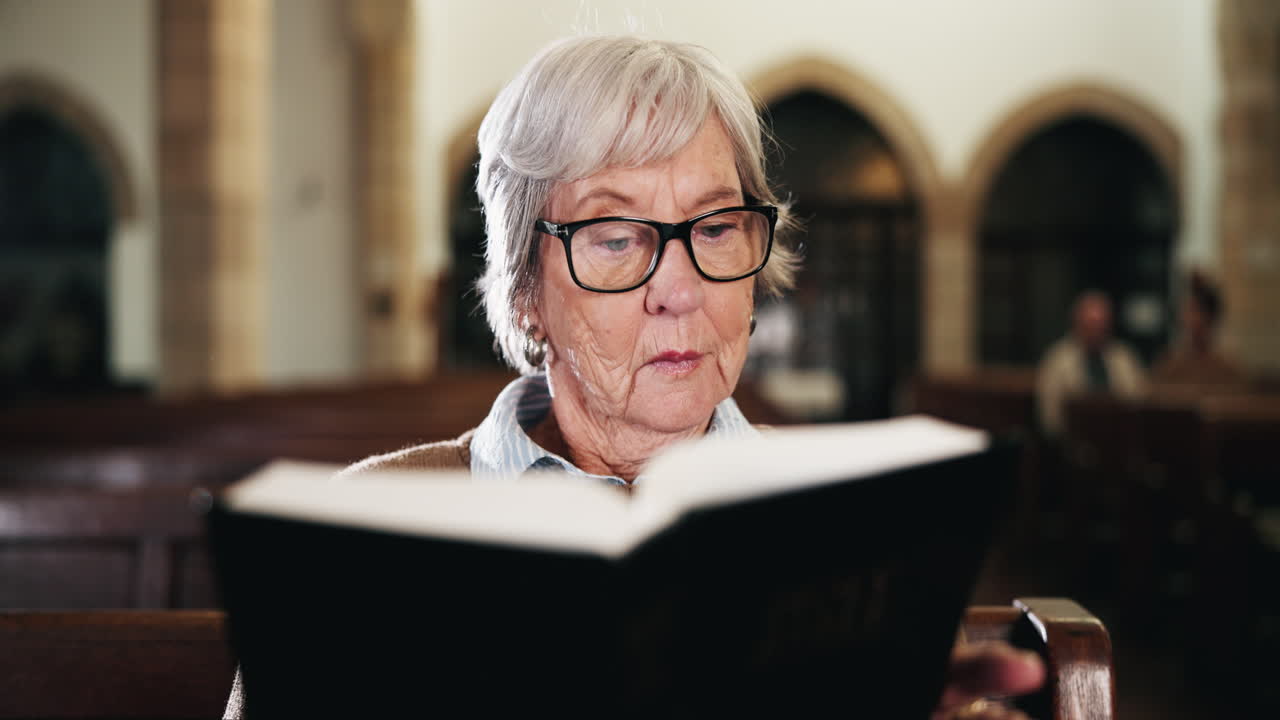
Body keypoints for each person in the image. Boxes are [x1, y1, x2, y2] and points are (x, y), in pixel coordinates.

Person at [225, 35, 1042, 719]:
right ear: (524, 289)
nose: (681, 290)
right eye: (616, 237)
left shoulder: (855, 529)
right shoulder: (375, 525)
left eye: (717, 227)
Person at [1036, 290, 1145, 436]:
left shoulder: (1122, 357)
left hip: (1118, 438)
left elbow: (1138, 398)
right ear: (1077, 323)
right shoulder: (1058, 359)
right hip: (1072, 441)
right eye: (1091, 325)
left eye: (1101, 325)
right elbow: (1049, 415)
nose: (1096, 331)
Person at [1149, 268, 1245, 394]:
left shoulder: (1229, 369)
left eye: (1196, 312)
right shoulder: (1169, 365)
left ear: (1211, 318)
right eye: (1187, 312)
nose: (1190, 320)